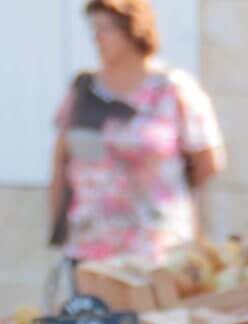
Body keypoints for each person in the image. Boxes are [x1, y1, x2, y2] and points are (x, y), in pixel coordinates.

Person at [48, 0, 225, 264]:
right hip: (90, 245)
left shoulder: (173, 89)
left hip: (156, 247)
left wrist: (160, 190)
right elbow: (61, 162)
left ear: (132, 30)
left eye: (106, 29)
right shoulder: (83, 90)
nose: (97, 38)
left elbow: (208, 161)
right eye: (93, 29)